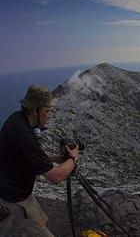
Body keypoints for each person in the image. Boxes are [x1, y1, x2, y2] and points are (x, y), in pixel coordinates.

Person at [0, 85, 80, 237]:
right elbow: (56, 177)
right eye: (47, 111)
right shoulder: (24, 134)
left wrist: (59, 158)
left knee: (40, 221)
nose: (49, 115)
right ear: (34, 111)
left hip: (18, 192)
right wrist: (74, 157)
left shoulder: (17, 119)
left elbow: (35, 154)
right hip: (15, 200)